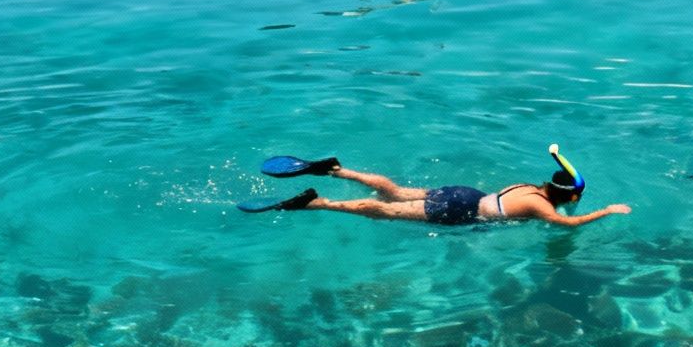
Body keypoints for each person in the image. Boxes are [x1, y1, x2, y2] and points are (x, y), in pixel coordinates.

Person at [238, 144, 630, 227]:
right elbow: (571, 224)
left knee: (395, 191)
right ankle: (317, 202)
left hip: (463, 193)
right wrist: (607, 210)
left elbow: (563, 197)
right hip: (459, 211)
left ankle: (339, 170)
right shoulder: (543, 209)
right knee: (384, 210)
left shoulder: (527, 188)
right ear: (570, 196)